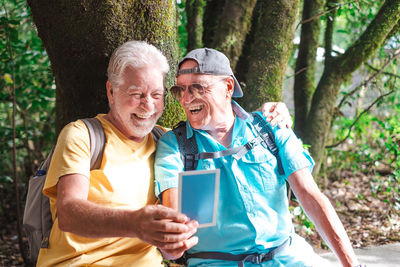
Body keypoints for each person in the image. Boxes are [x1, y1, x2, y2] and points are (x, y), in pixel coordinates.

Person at [37, 41, 292, 266]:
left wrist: (268, 116)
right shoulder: (82, 135)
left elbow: (223, 132)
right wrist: (135, 223)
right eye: (136, 94)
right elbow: (69, 213)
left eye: (156, 95)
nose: (148, 105)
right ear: (111, 92)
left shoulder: (169, 142)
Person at [154, 48, 363, 266]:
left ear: (227, 87)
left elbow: (311, 197)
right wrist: (172, 241)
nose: (186, 99)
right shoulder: (175, 146)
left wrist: (352, 264)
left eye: (197, 88)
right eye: (180, 91)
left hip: (289, 258)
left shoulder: (270, 127)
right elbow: (172, 237)